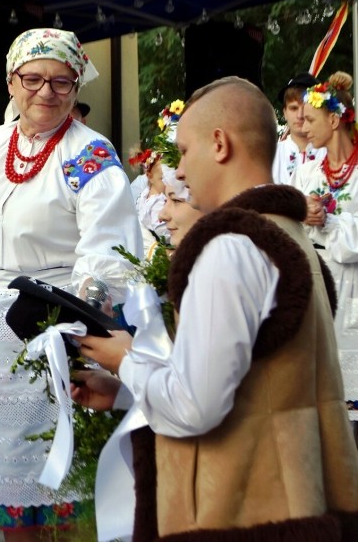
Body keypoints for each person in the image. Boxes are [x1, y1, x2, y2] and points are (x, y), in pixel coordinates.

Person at [75, 76, 358, 541]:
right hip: (291, 508)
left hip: (238, 515)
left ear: (220, 144)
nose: (180, 172)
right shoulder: (289, 236)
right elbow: (256, 389)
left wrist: (126, 359)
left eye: (183, 152)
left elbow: (194, 406)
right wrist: (126, 391)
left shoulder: (230, 247)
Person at [0, 27, 140, 539]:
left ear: (76, 86)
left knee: (63, 483)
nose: (46, 92)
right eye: (33, 78)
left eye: (62, 82)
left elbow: (109, 248)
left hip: (54, 331)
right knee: (10, 493)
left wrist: (75, 320)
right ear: (10, 82)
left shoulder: (90, 154)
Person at [292, 71, 358, 429]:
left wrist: (328, 221)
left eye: (310, 118)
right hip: (319, 288)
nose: (302, 126)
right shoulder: (309, 172)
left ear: (334, 119)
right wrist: (304, 212)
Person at [273, 72, 325, 184]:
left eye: (306, 107)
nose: (300, 115)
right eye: (293, 108)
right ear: (285, 113)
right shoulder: (272, 156)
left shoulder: (330, 153)